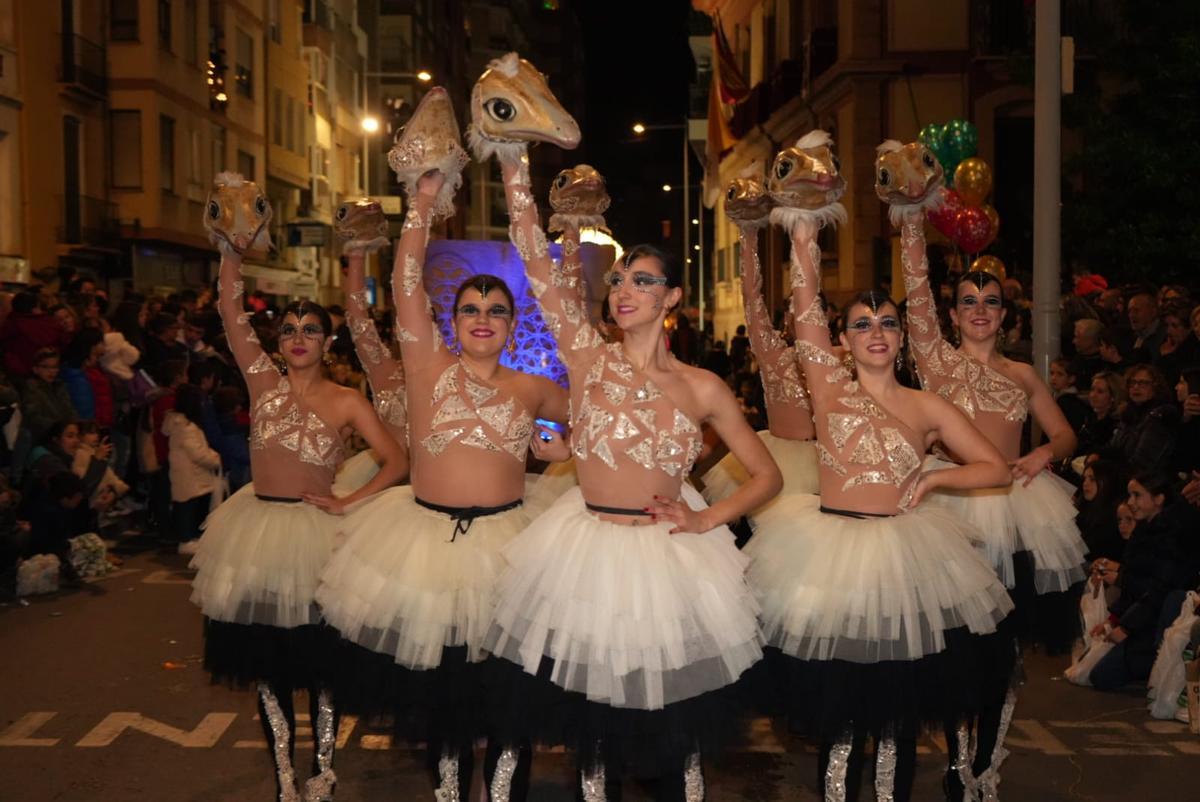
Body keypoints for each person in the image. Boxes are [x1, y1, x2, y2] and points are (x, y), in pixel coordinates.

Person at [481, 107, 780, 800]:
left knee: (676, 741)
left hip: (667, 561)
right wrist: (512, 159)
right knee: (594, 741)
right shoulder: (588, 358)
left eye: (643, 281)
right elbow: (534, 258)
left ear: (671, 298)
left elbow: (763, 475)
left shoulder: (703, 387)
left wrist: (708, 519)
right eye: (620, 280)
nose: (624, 292)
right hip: (586, 555)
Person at [316, 98, 566, 802]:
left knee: (510, 700)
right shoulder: (426, 365)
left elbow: (595, 427)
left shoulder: (534, 387)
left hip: (511, 548)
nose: (482, 319)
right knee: (445, 709)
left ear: (511, 323)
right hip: (427, 549)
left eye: (496, 311)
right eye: (470, 310)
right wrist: (422, 204)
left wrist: (558, 445)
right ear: (452, 320)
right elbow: (402, 285)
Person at [750, 169, 1012, 802]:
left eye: (887, 324)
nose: (875, 333)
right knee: (840, 714)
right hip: (829, 552)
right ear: (842, 340)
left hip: (902, 555)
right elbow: (804, 305)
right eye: (862, 324)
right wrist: (806, 230)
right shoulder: (826, 385)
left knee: (895, 716)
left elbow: (995, 468)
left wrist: (931, 483)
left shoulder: (926, 406)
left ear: (900, 338)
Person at [189, 172, 407, 802]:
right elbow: (231, 312)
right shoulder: (262, 383)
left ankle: (324, 770)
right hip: (256, 530)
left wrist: (346, 502)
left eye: (310, 330)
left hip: (319, 535)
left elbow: (393, 462)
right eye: (289, 331)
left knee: (323, 670)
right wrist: (230, 251)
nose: (299, 339)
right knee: (267, 669)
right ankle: (286, 776)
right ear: (278, 342)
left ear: (326, 339)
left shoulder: (346, 400)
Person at [895, 197, 1085, 800]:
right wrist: (910, 219)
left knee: (1001, 650)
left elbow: (1065, 433)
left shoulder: (1023, 374)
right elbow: (915, 289)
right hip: (949, 508)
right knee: (957, 644)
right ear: (953, 314)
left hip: (1015, 512)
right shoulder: (936, 364)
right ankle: (955, 763)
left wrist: (1042, 454)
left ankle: (984, 764)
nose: (980, 311)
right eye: (969, 302)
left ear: (1006, 314)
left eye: (991, 302)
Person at [701, 168, 818, 530]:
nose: (801, 317)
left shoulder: (838, 361)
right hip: (781, 459)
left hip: (825, 465)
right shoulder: (772, 352)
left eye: (812, 311)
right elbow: (752, 299)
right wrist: (749, 236)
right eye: (793, 310)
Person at [1088, 472, 1199, 690]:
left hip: (1157, 620)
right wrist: (1114, 620)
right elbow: (1136, 583)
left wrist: (1126, 627)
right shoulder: (1147, 530)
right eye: (1130, 496)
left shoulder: (1172, 533)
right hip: (1144, 616)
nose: (1131, 502)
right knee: (1097, 675)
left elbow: (1159, 588)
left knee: (1103, 676)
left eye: (1137, 496)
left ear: (1158, 499)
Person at [328, 240, 407, 498]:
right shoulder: (384, 370)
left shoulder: (454, 374)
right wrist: (357, 255)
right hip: (383, 488)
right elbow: (357, 317)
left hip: (439, 487)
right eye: (404, 322)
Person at [164, 384, 222, 553]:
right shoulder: (186, 427)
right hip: (191, 472)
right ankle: (186, 539)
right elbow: (197, 453)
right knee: (187, 506)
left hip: (187, 472)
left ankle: (189, 537)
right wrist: (215, 458)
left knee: (187, 504)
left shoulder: (179, 424)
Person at [1111, 364, 1178, 474]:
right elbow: (1113, 447)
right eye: (1132, 382)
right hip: (1123, 473)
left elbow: (1142, 463)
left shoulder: (1160, 415)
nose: (1136, 387)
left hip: (1145, 482)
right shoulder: (1129, 412)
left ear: (1156, 387)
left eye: (1143, 383)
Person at [0, 291, 71, 378]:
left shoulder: (10, 325)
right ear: (36, 308)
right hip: (49, 373)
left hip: (18, 376)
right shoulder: (52, 323)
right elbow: (64, 345)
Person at [1075, 460, 1128, 563]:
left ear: (1107, 481)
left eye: (1092, 479)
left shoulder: (1115, 514)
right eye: (1084, 479)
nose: (1085, 483)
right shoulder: (1085, 506)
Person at [1076, 372, 1125, 460]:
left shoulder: (1116, 425)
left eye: (1100, 391)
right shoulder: (1089, 418)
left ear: (1112, 397)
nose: (1093, 395)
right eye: (1092, 390)